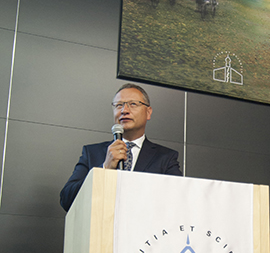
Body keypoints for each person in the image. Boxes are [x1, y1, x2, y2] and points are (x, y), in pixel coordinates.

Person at [60, 83, 182, 211]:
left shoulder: (166, 158)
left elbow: (179, 200)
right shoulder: (91, 153)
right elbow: (67, 200)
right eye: (119, 105)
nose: (124, 110)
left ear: (148, 112)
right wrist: (105, 169)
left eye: (133, 104)